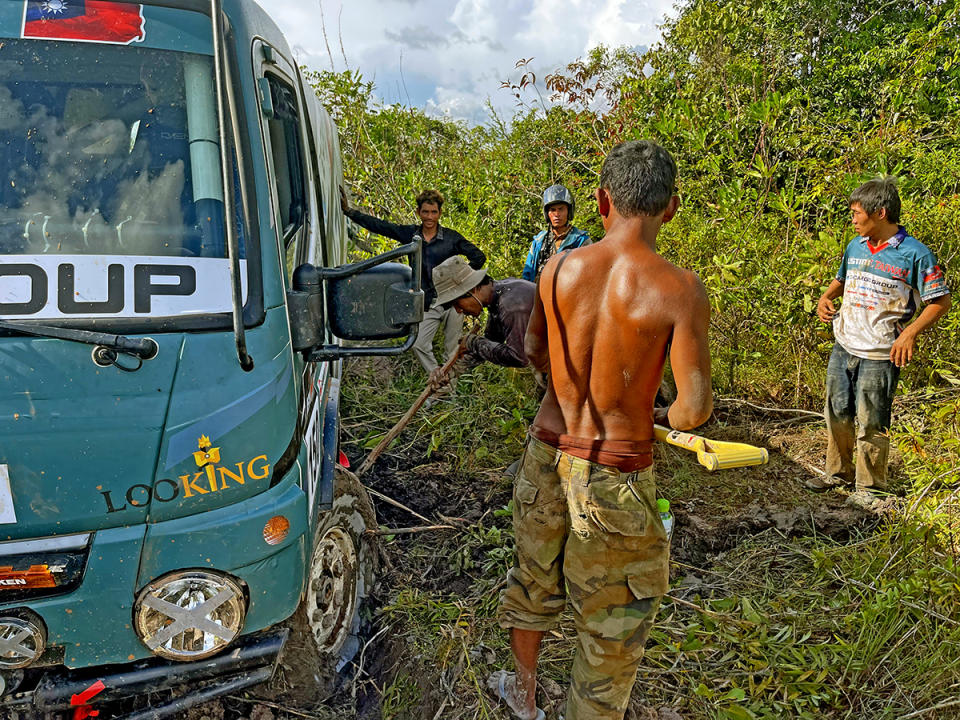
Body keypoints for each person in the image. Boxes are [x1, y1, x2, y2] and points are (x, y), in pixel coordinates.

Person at [491, 141, 713, 720]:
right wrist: (656, 415)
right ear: (671, 207)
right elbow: (692, 411)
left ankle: (522, 693)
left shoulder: (559, 267)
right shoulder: (679, 289)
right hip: (616, 471)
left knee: (533, 581)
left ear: (601, 199)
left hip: (546, 451)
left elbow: (536, 351)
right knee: (611, 624)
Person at [810, 177, 951, 509]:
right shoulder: (856, 245)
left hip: (880, 352)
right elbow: (842, 278)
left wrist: (909, 333)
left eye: (857, 213)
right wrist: (825, 297)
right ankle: (837, 473)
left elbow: (940, 301)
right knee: (837, 412)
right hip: (844, 343)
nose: (853, 219)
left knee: (872, 419)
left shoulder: (915, 254)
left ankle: (870, 488)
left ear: (881, 212)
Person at [340, 187, 486, 376]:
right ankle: (440, 385)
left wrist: (461, 281)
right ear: (418, 212)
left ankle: (449, 398)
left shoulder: (451, 238)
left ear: (440, 213)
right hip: (429, 304)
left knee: (451, 351)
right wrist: (349, 212)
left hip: (454, 304)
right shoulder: (411, 235)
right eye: (425, 212)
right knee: (418, 344)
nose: (429, 217)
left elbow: (478, 257)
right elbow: (382, 227)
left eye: (434, 212)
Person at [431, 256, 536, 373]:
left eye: (457, 303)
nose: (458, 310)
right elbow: (490, 343)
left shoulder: (511, 304)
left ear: (471, 290)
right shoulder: (497, 296)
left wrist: (473, 343)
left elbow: (520, 358)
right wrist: (448, 371)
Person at [521, 184, 591, 281]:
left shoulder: (581, 241)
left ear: (568, 211)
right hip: (538, 292)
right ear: (547, 213)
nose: (557, 214)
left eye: (561, 209)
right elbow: (527, 274)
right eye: (552, 210)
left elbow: (588, 274)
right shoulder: (539, 241)